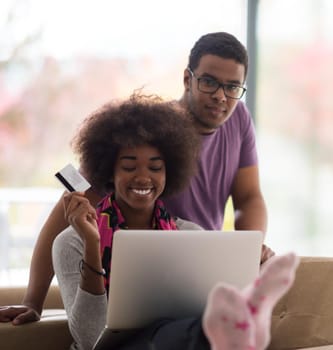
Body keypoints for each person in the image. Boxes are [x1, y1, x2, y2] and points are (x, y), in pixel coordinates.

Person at [0, 31, 274, 326]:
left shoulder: (239, 119)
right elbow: (64, 216)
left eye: (233, 86)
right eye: (209, 82)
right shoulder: (147, 133)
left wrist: (250, 247)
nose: (221, 95)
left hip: (198, 274)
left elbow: (248, 197)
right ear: (187, 79)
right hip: (142, 279)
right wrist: (33, 301)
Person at [50, 92, 298, 350]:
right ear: (109, 171)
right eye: (129, 166)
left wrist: (254, 264)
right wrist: (92, 244)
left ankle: (241, 317)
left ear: (170, 172)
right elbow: (90, 339)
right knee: (185, 333)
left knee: (184, 328)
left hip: (175, 340)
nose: (143, 177)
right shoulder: (71, 243)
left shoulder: (190, 235)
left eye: (155, 168)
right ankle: (239, 327)